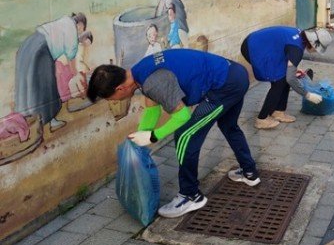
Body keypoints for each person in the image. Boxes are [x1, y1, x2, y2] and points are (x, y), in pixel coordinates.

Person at [87, 49, 260, 218]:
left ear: (119, 89)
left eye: (109, 99)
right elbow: (152, 110)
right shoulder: (140, 71)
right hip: (235, 74)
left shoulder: (153, 81)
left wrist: (153, 136)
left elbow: (182, 116)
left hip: (225, 87)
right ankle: (249, 172)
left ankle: (191, 196)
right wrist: (141, 135)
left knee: (185, 135)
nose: (112, 102)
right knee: (229, 126)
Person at [241, 26, 332, 129]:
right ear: (313, 43)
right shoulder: (297, 49)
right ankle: (262, 119)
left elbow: (288, 62)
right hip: (252, 47)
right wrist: (307, 95)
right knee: (278, 82)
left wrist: (292, 70)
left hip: (257, 43)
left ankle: (278, 112)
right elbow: (290, 78)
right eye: (317, 49)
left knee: (283, 77)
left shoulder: (300, 35)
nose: (316, 52)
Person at [15, 13, 88, 131]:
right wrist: (76, 75)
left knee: (28, 83)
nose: (79, 33)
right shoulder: (71, 28)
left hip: (28, 46)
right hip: (41, 51)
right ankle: (51, 122)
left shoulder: (62, 22)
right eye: (81, 30)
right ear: (80, 25)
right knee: (47, 87)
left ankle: (29, 121)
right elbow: (71, 55)